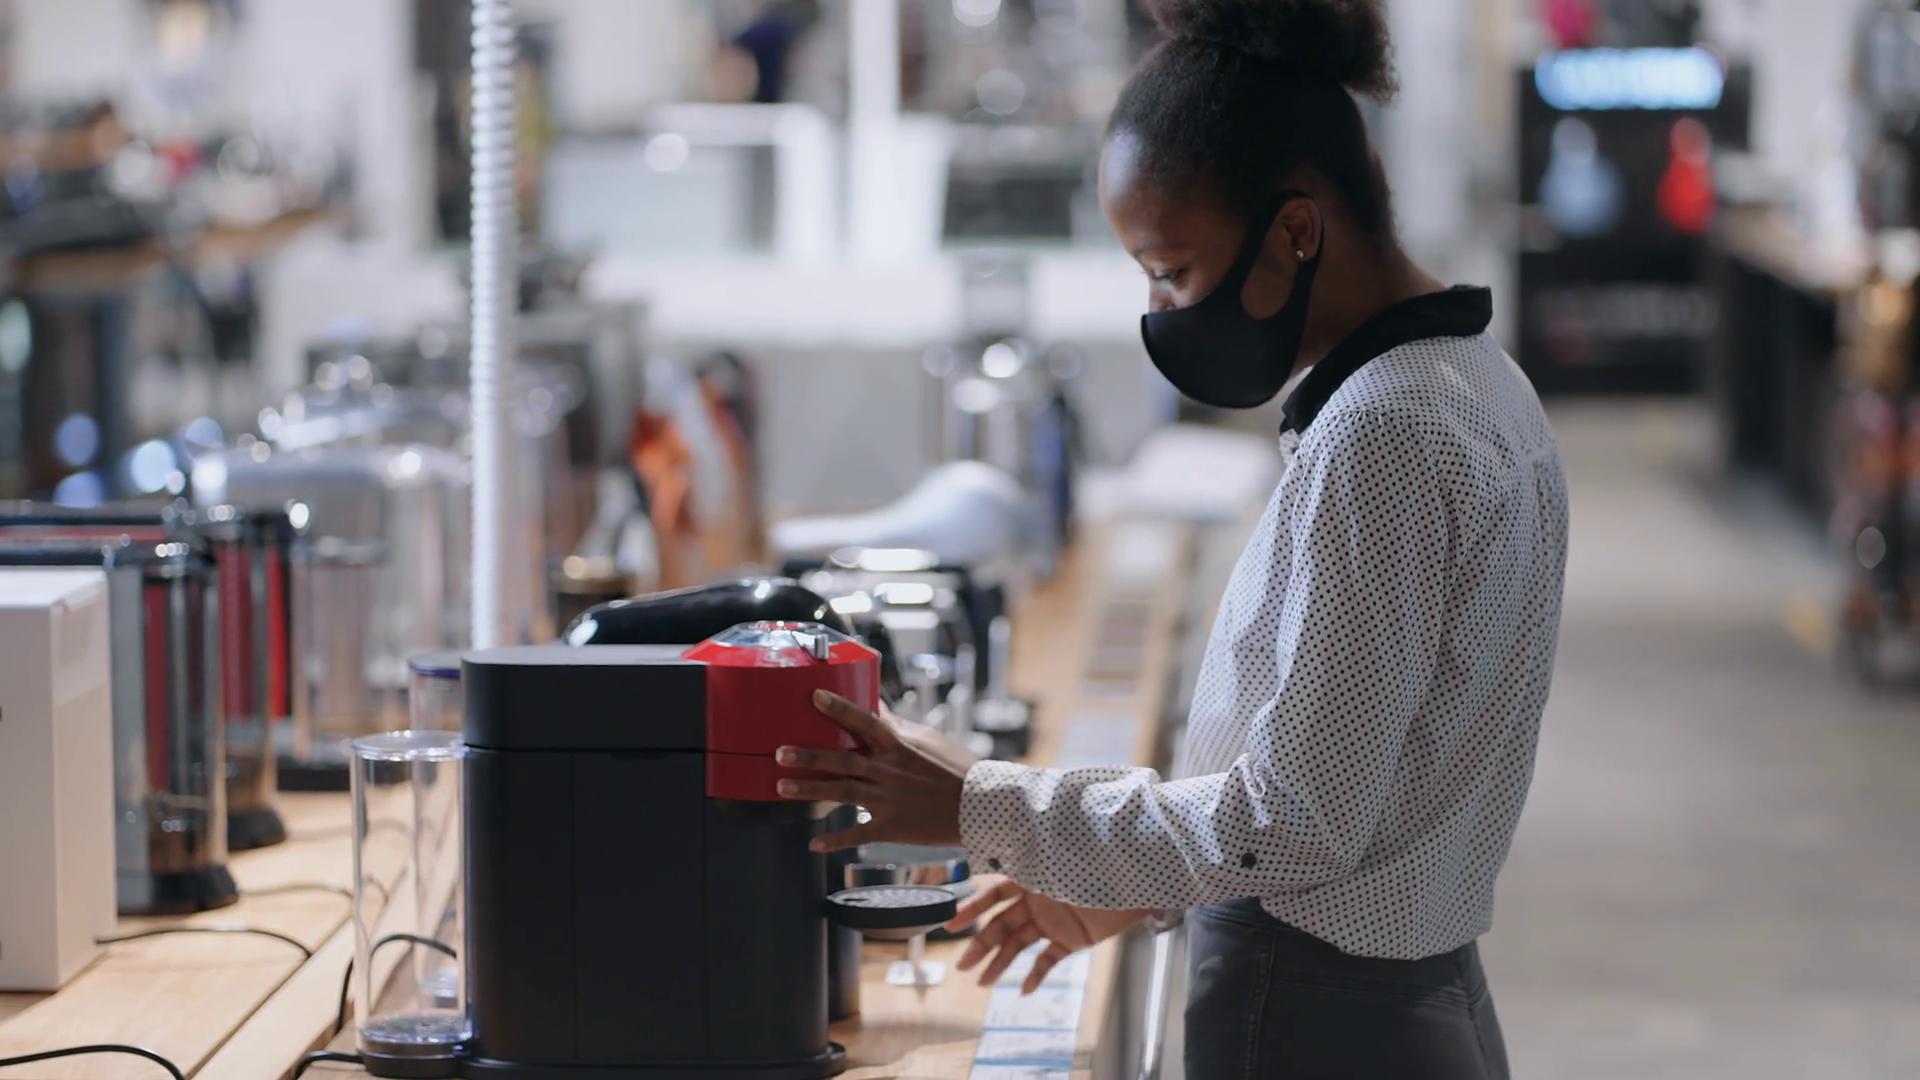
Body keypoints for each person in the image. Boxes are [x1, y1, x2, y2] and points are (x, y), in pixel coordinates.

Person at [775, 1, 1568, 1076]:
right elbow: (1375, 790)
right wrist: (1123, 886)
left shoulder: (1384, 430)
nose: (1158, 307)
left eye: (1173, 270)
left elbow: (1291, 824)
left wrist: (977, 802)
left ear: (1296, 231)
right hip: (1415, 1002)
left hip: (1316, 1021)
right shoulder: (1480, 380)